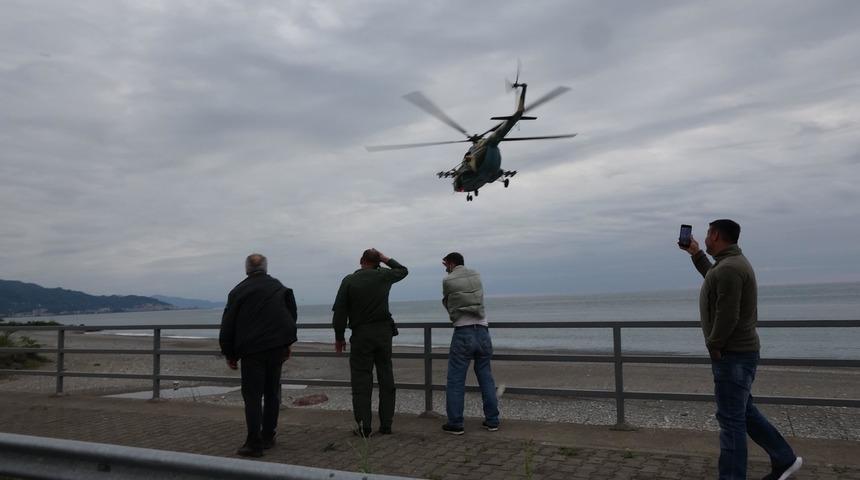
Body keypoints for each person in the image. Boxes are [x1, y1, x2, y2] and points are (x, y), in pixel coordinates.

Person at [679, 220, 802, 480]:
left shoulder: (731, 268)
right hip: (737, 354)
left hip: (732, 356)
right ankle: (784, 458)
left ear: (715, 235)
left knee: (731, 422)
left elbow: (727, 315)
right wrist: (696, 254)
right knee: (743, 413)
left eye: (708, 234)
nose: (705, 237)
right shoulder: (729, 265)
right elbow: (714, 279)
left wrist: (714, 345)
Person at [219, 253, 297, 458]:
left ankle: (254, 444)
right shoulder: (280, 287)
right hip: (276, 347)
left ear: (247, 269)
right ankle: (268, 436)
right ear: (266, 267)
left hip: (252, 350)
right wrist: (287, 343)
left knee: (253, 396)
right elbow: (291, 315)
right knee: (272, 393)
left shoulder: (238, 291)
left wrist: (229, 353)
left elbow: (228, 324)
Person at [332, 248, 408, 437]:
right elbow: (403, 270)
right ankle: (386, 425)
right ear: (378, 262)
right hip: (383, 334)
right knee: (386, 377)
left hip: (361, 335)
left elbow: (340, 312)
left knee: (361, 381)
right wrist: (386, 258)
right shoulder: (383, 276)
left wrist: (339, 337)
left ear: (361, 260)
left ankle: (364, 426)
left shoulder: (349, 280)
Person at [440, 252, 499, 435]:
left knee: (456, 381)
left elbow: (449, 303)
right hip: (482, 331)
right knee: (485, 377)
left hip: (463, 333)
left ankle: (456, 423)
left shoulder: (448, 280)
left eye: (445, 265)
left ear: (450, 264)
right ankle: (492, 420)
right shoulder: (476, 276)